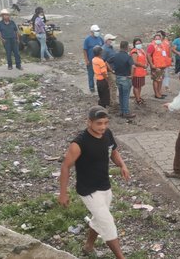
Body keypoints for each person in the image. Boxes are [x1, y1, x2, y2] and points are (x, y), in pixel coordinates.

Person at [58, 106, 130, 259]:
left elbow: (113, 151)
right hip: (88, 190)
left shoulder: (107, 134)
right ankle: (120, 257)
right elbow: (65, 167)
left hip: (105, 185)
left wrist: (122, 165)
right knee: (108, 223)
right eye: (99, 123)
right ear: (89, 122)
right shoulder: (79, 143)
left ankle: (88, 246)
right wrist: (63, 193)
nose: (103, 127)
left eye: (106, 123)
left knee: (99, 219)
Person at [109, 41, 136, 119]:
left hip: (118, 77)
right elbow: (133, 66)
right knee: (126, 96)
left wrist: (111, 70)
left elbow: (106, 62)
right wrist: (132, 75)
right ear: (126, 47)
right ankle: (126, 112)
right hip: (125, 78)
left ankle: (121, 111)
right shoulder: (128, 57)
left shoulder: (115, 55)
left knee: (121, 95)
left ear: (120, 47)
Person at [148, 33, 170, 99]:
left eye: (159, 38)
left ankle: (159, 92)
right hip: (156, 66)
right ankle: (156, 94)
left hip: (162, 66)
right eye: (156, 39)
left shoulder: (162, 45)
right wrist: (152, 64)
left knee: (160, 80)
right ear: (154, 39)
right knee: (156, 80)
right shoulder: (152, 46)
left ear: (161, 39)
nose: (157, 40)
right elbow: (148, 55)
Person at [84, 25, 105, 93]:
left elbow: (103, 48)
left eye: (98, 31)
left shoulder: (100, 39)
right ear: (92, 32)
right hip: (91, 61)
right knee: (91, 75)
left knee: (100, 74)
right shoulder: (87, 40)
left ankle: (100, 86)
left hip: (99, 61)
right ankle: (91, 87)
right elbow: (85, 50)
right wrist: (86, 60)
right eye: (96, 31)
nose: (97, 32)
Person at [130, 38, 148, 105]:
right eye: (137, 44)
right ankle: (137, 99)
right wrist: (143, 65)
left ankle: (138, 97)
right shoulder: (134, 52)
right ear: (134, 44)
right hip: (136, 72)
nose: (139, 45)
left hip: (141, 72)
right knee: (136, 86)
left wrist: (146, 64)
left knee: (139, 86)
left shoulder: (141, 50)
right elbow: (135, 62)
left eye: (139, 43)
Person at [103, 34, 118, 107]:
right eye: (112, 40)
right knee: (113, 86)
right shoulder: (104, 49)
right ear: (107, 40)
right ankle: (113, 102)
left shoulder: (111, 48)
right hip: (109, 71)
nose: (113, 41)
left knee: (112, 86)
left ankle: (112, 101)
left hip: (113, 70)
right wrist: (111, 70)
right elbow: (104, 62)